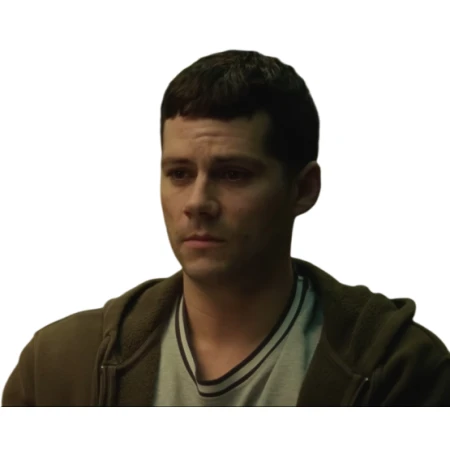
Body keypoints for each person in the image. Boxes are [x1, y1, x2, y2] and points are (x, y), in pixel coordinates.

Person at [3, 50, 450, 407]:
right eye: (179, 173)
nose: (197, 202)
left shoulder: (402, 371)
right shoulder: (59, 369)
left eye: (233, 174)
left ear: (303, 189)